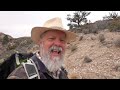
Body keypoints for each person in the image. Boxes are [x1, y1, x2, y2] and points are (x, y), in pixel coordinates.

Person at [7, 17, 77, 79]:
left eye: (62, 40)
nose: (58, 44)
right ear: (41, 43)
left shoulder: (62, 72)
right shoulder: (20, 75)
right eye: (51, 38)